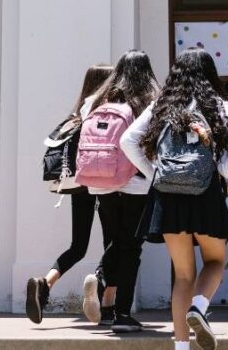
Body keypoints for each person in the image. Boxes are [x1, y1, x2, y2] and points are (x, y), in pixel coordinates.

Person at [121, 48, 228, 350]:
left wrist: (154, 171)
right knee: (215, 260)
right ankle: (199, 307)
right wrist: (223, 169)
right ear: (209, 73)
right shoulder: (216, 103)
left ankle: (181, 346)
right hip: (205, 192)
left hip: (168, 194)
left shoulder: (162, 104)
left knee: (182, 275)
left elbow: (127, 140)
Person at [25, 64, 113, 325]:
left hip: (79, 183)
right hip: (106, 182)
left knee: (78, 246)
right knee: (114, 242)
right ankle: (105, 299)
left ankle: (45, 282)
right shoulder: (107, 111)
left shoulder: (77, 114)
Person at [80, 51, 160, 333]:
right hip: (136, 183)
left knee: (116, 240)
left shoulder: (96, 100)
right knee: (131, 247)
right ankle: (122, 314)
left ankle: (101, 281)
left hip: (101, 182)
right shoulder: (149, 101)